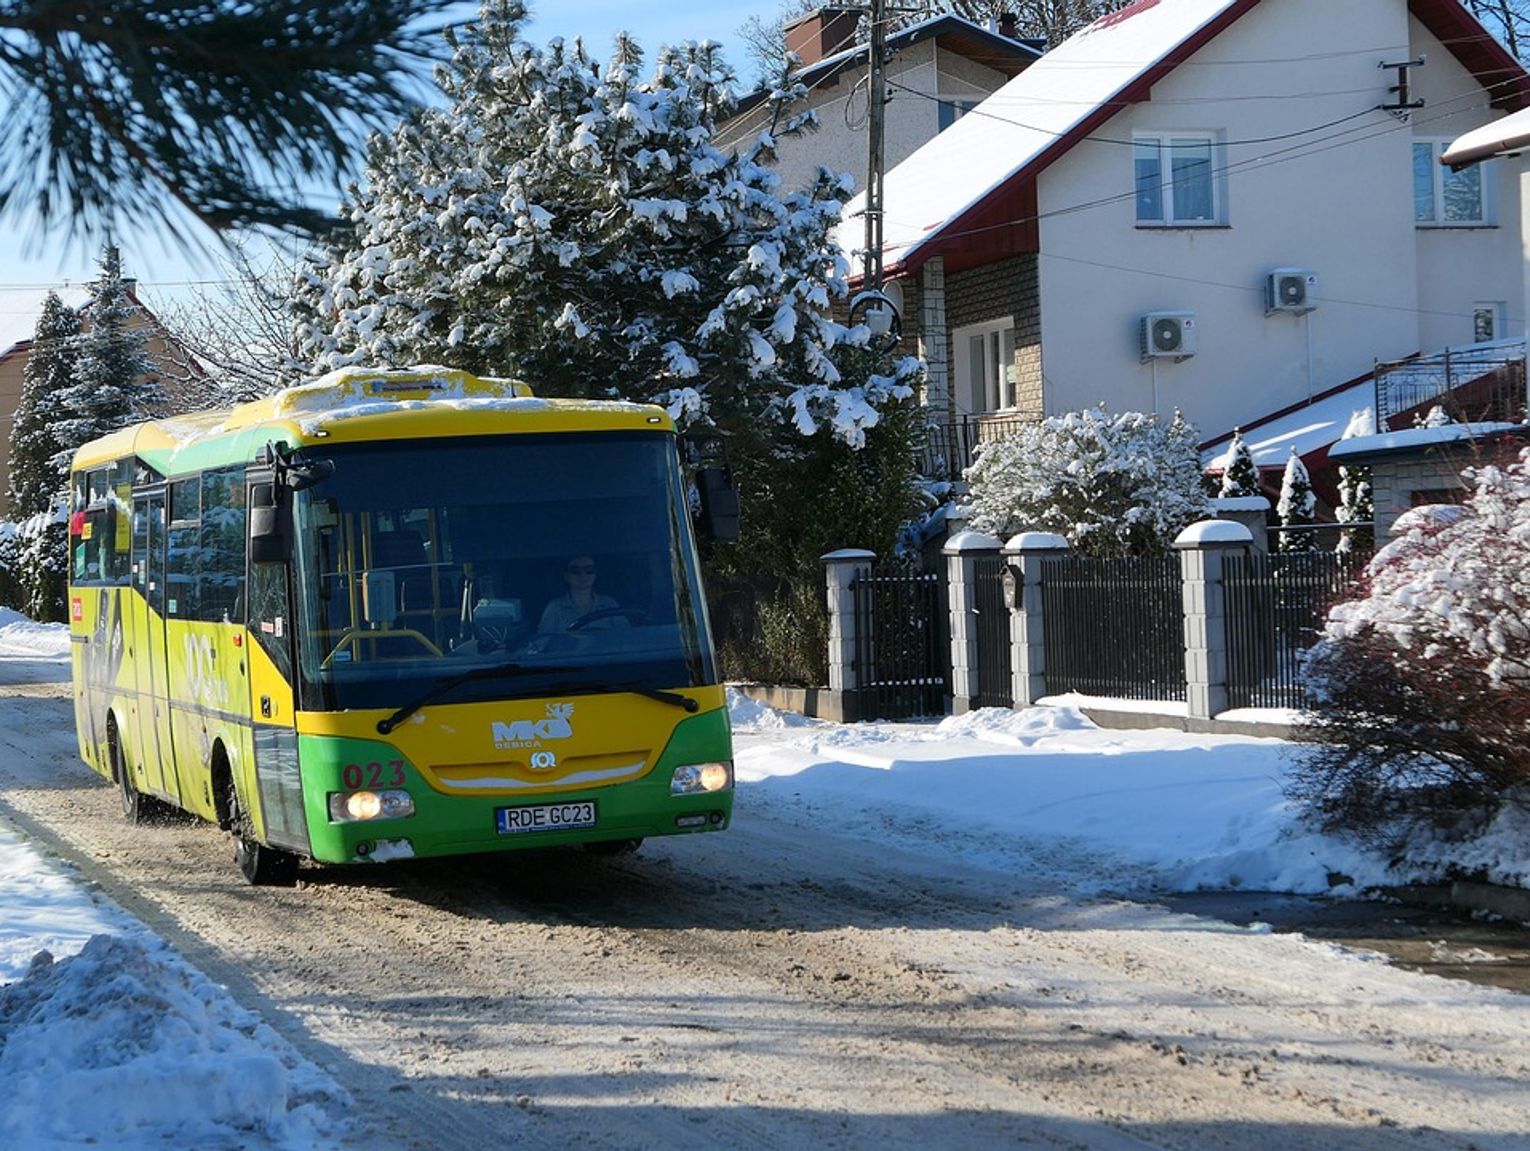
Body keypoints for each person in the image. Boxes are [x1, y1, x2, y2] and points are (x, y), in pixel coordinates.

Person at [538, 555, 628, 633]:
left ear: (595, 575)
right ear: (566, 576)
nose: (583, 575)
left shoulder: (609, 603)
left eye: (589, 570)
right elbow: (543, 642)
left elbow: (625, 636)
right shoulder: (555, 607)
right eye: (575, 571)